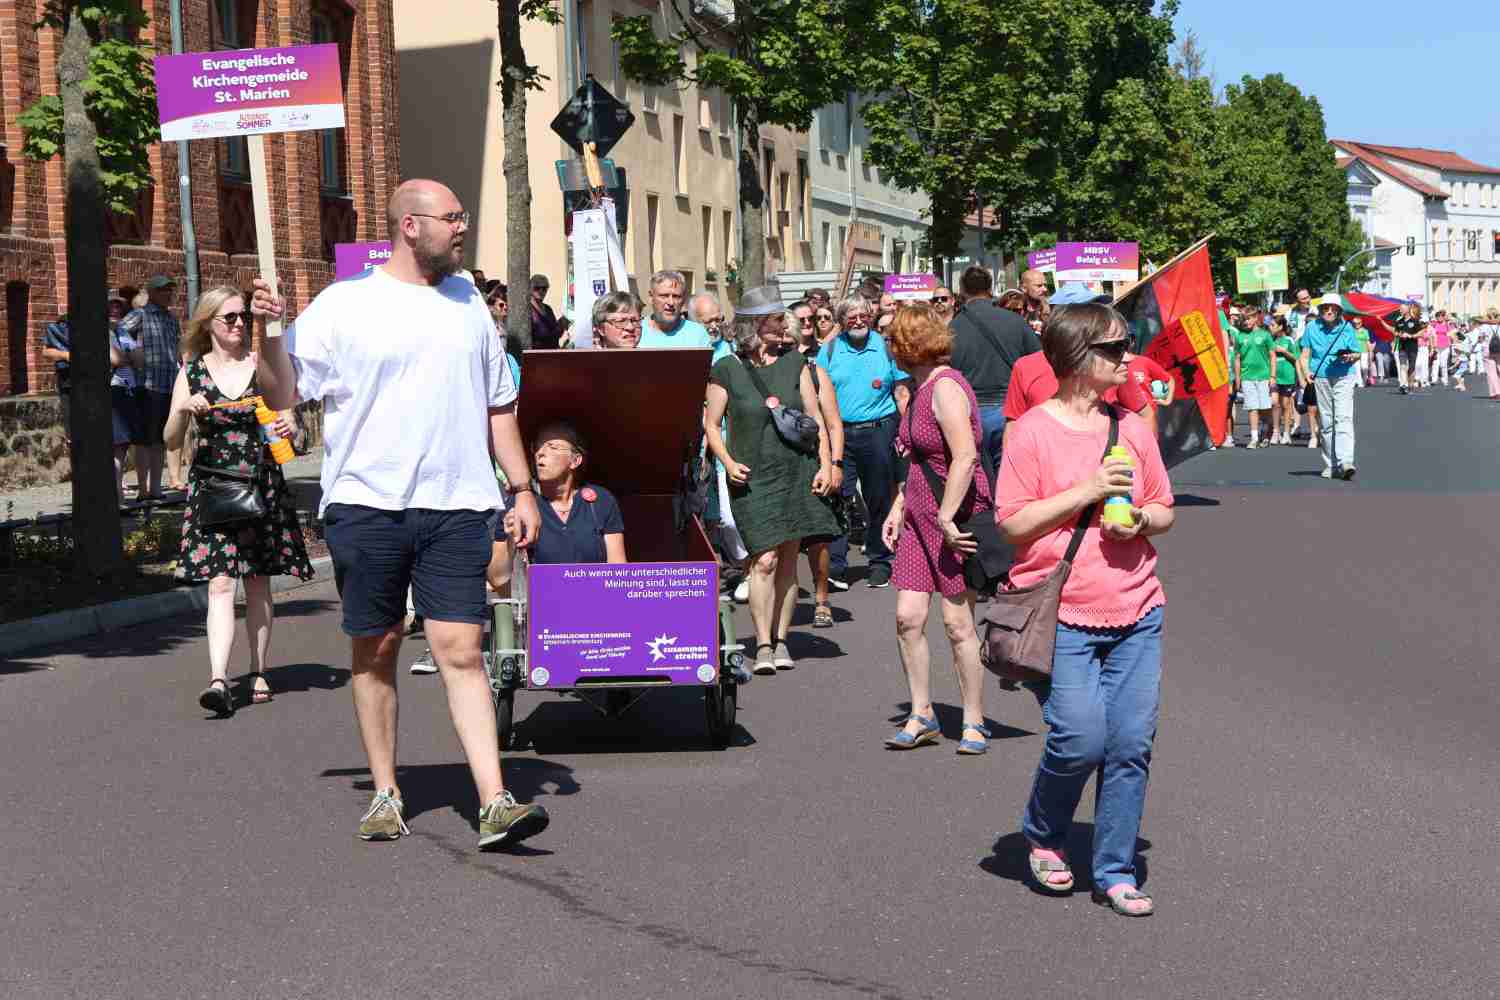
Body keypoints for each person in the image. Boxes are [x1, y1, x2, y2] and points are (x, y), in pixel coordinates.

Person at [251, 178, 550, 851]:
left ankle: (495, 799)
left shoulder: (471, 302)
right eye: (452, 218)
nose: (463, 227)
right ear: (410, 226)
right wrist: (271, 334)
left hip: (459, 502)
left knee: (462, 650)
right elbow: (284, 392)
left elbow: (498, 404)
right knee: (378, 646)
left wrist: (522, 488)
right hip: (368, 504)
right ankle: (386, 790)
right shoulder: (344, 305)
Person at [995, 302, 1175, 918]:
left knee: (1130, 743)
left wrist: (1142, 521)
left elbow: (1164, 509)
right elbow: (1013, 522)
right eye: (1116, 347)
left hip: (1137, 608)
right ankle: (1043, 832)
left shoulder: (1134, 429)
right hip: (1062, 612)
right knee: (1078, 741)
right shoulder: (1032, 433)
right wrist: (1088, 492)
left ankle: (1116, 869)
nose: (1129, 357)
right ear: (1077, 356)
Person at [164, 285, 314, 716]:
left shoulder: (261, 366)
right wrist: (183, 412)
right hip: (213, 489)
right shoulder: (192, 373)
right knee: (220, 582)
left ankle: (259, 668)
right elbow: (169, 439)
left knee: (258, 581)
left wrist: (291, 431)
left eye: (242, 316)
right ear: (207, 324)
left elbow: (296, 430)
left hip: (261, 485)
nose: (237, 324)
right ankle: (217, 678)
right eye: (228, 317)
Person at [704, 286, 841, 674]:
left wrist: (826, 465)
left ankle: (780, 641)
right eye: (778, 318)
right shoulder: (726, 369)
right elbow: (711, 425)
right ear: (755, 324)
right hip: (751, 477)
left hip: (796, 470)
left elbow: (814, 420)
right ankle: (761, 643)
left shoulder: (795, 361)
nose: (787, 324)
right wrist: (727, 462)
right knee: (762, 558)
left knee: (786, 558)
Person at [880, 304, 993, 755]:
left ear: (911, 343)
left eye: (893, 339)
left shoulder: (945, 387)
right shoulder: (917, 387)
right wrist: (898, 505)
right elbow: (918, 460)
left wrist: (946, 518)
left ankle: (974, 720)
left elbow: (964, 457)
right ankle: (922, 713)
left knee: (956, 622)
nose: (888, 346)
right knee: (907, 618)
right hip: (919, 516)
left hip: (955, 516)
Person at [817, 294, 911, 590]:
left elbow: (902, 392)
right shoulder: (830, 351)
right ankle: (836, 565)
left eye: (863, 316)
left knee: (879, 497)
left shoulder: (885, 348)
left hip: (879, 431)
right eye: (851, 316)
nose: (858, 321)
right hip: (840, 434)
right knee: (839, 496)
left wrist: (906, 430)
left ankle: (880, 561)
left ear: (870, 317)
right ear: (841, 321)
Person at [789, 298, 848, 625]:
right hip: (781, 466)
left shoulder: (816, 372)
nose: (804, 327)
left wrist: (835, 463)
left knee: (818, 538)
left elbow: (833, 423)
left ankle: (821, 598)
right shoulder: (766, 370)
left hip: (816, 460)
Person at [948, 264, 1038, 474]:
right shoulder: (1015, 321)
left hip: (969, 414)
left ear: (962, 290)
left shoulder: (952, 328)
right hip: (1010, 413)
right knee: (1010, 478)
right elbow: (1037, 363)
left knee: (977, 482)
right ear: (990, 288)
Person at [501, 422, 626, 566]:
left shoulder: (601, 501)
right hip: (539, 589)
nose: (540, 453)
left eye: (553, 447)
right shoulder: (520, 503)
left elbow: (618, 571)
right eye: (537, 447)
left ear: (575, 460)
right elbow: (497, 578)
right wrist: (511, 540)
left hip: (593, 589)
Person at [118, 275, 183, 498]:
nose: (167, 294)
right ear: (152, 293)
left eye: (169, 290)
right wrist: (132, 353)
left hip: (169, 385)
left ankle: (156, 488)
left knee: (160, 439)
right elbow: (117, 333)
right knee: (144, 440)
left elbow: (177, 349)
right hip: (147, 385)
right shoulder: (140, 314)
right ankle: (143, 489)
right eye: (163, 290)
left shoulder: (172, 319)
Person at [1301, 294, 1362, 481]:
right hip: (1321, 377)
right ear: (1320, 310)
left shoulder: (1347, 328)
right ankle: (1331, 464)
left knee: (1343, 417)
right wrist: (1306, 373)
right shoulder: (1311, 327)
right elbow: (1304, 355)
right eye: (1326, 308)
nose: (1329, 311)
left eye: (1333, 308)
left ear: (1339, 311)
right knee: (1327, 422)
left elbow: (1357, 353)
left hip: (1344, 375)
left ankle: (1346, 461)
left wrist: (1351, 357)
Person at [108, 294, 148, 501]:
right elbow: (115, 359)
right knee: (117, 445)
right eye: (111, 307)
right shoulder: (101, 331)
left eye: (118, 307)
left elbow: (139, 359)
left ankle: (118, 495)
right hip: (112, 390)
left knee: (124, 445)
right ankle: (117, 498)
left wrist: (126, 358)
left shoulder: (122, 331)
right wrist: (126, 358)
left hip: (128, 390)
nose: (115, 311)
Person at [1233, 307, 1274, 448]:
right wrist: (1238, 378)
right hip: (1247, 377)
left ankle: (1267, 431)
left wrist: (1272, 376)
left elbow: (1272, 355)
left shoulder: (1265, 335)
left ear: (1256, 318)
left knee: (1264, 408)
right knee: (1252, 407)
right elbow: (1237, 358)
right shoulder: (1240, 336)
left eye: (1249, 318)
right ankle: (1254, 438)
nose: (1246, 321)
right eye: (1244, 319)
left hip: (1263, 376)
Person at [640, 270, 712, 348]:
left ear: (683, 299)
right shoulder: (635, 332)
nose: (671, 303)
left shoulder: (698, 334)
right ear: (651, 297)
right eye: (664, 296)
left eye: (676, 296)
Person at [1268, 314, 1304, 446]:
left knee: (1286, 405)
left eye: (1273, 325)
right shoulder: (1270, 340)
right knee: (1274, 403)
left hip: (1287, 376)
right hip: (1274, 376)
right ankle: (1276, 432)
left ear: (1280, 326)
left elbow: (1297, 358)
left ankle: (1287, 433)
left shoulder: (1289, 340)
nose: (1270, 328)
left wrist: (1284, 351)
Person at [1392, 301, 1423, 394]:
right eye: (1400, 309)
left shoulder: (1415, 321)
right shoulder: (1399, 321)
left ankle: (1410, 386)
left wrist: (1411, 336)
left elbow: (1421, 333)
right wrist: (1399, 334)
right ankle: (1403, 385)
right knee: (1402, 366)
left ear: (1407, 309)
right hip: (1402, 347)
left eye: (1402, 309)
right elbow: (1395, 332)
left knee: (1412, 367)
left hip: (1412, 347)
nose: (1400, 310)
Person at [528, 274, 562, 349]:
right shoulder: (528, 310)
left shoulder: (548, 309)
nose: (541, 291)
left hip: (552, 352)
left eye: (544, 288)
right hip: (537, 354)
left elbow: (556, 331)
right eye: (537, 288)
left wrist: (561, 327)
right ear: (530, 288)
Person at [1430, 310, 1453, 388]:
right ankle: (1434, 380)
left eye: (1441, 316)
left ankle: (1445, 380)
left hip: (1445, 346)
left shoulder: (1447, 325)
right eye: (1438, 316)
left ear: (1444, 317)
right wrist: (1432, 346)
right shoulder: (1434, 325)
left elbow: (1452, 335)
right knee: (1435, 364)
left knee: (1443, 364)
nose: (1439, 318)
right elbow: (1431, 334)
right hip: (1436, 346)